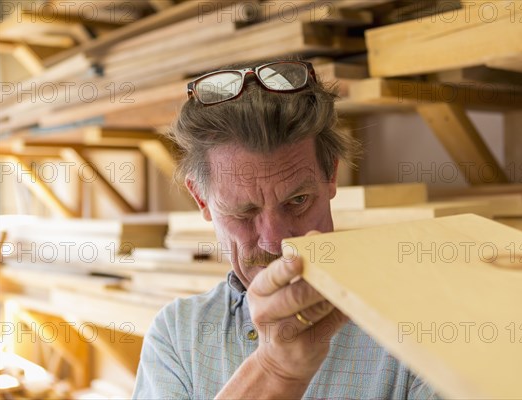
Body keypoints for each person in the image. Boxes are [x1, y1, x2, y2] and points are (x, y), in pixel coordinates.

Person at [132, 60, 439, 399]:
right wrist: (275, 370)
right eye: (244, 211)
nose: (275, 240)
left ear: (332, 176)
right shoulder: (177, 336)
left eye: (298, 201)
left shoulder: (415, 324)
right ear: (201, 200)